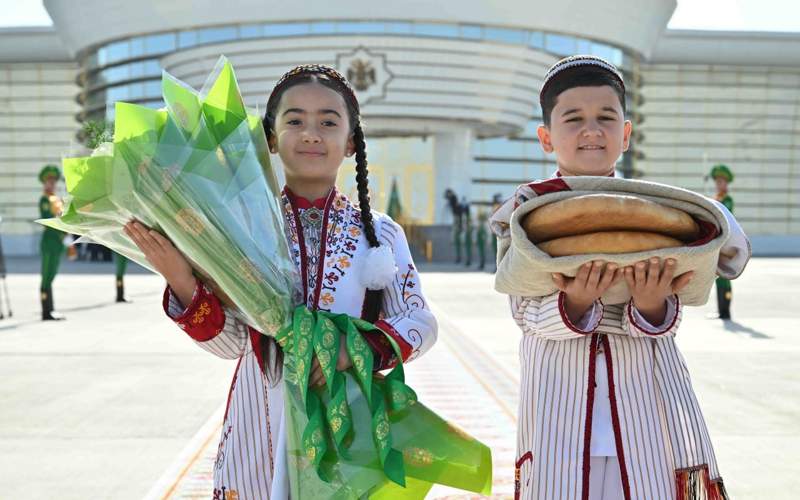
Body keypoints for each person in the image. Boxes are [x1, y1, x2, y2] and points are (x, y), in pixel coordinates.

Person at [124, 64, 437, 499]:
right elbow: (231, 344)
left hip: (347, 421)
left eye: (328, 122)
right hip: (259, 421)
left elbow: (419, 323)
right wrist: (181, 282)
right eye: (295, 121)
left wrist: (351, 350)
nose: (311, 133)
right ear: (271, 137)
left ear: (351, 142)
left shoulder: (380, 234)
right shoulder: (237, 227)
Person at [492, 55, 728, 500]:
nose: (591, 130)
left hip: (649, 410)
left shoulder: (663, 213)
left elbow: (673, 312)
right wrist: (575, 304)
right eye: (574, 118)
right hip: (558, 408)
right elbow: (523, 310)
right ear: (546, 137)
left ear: (626, 133)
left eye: (606, 117)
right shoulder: (524, 212)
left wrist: (651, 304)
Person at [38, 165, 67, 321]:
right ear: (44, 183)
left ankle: (51, 309)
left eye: (53, 181)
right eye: (49, 181)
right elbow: (46, 219)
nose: (52, 184)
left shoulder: (57, 199)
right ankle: (46, 311)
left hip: (57, 242)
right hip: (49, 241)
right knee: (46, 275)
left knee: (53, 274)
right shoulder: (44, 199)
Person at [710, 164, 734, 320]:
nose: (719, 184)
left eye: (722, 182)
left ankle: (726, 311)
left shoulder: (727, 199)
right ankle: (721, 311)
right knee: (719, 277)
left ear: (726, 183)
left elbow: (724, 215)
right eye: (717, 182)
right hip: (718, 241)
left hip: (726, 241)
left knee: (725, 277)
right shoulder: (716, 198)